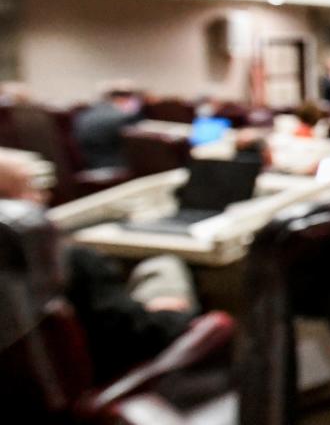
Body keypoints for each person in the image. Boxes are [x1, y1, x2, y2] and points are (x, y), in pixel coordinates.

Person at [0, 155, 200, 382]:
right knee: (164, 266)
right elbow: (135, 336)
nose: (44, 196)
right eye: (30, 188)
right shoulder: (71, 262)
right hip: (110, 377)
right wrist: (167, 312)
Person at [74, 86, 143, 169]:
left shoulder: (84, 114)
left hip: (93, 162)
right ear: (121, 99)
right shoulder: (119, 116)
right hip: (112, 164)